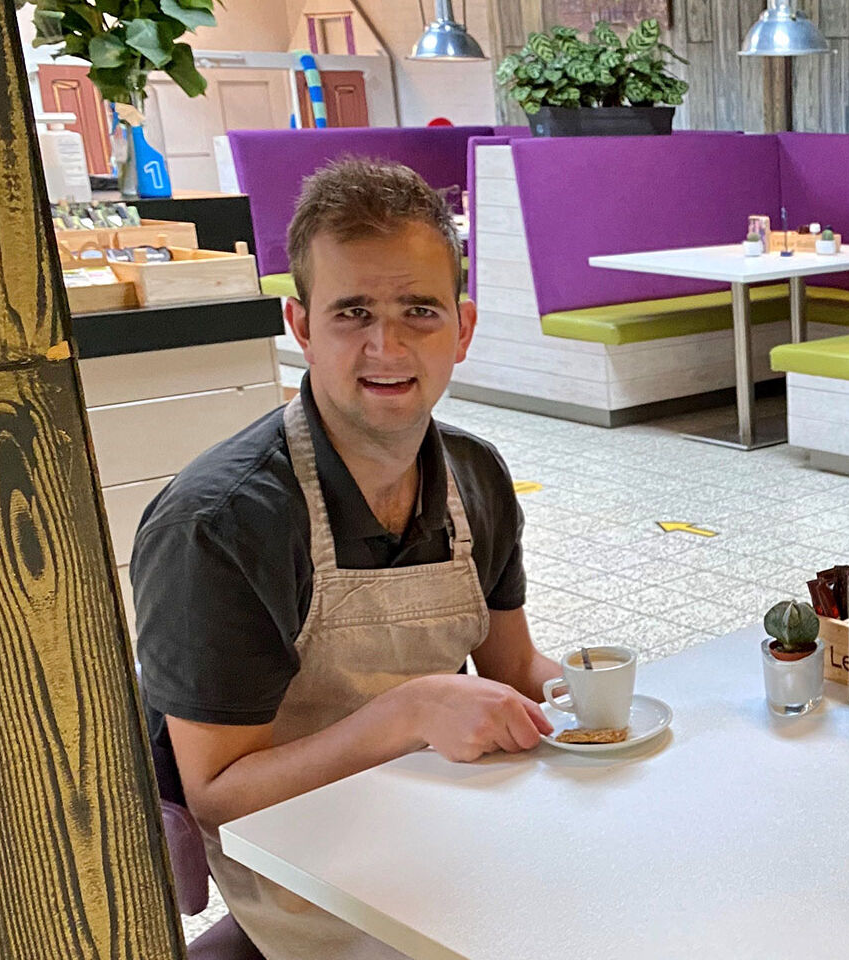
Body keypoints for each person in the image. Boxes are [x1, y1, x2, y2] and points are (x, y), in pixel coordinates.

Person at [131, 159, 560, 959]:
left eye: (419, 311)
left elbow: (514, 666)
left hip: (457, 832)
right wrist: (407, 714)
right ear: (299, 325)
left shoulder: (476, 476)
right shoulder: (221, 526)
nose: (386, 345)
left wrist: (593, 696)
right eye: (352, 312)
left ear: (462, 328)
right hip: (302, 890)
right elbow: (217, 795)